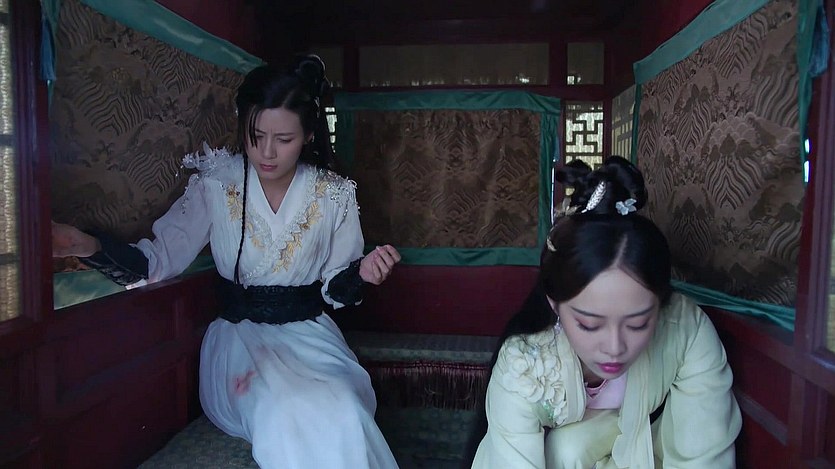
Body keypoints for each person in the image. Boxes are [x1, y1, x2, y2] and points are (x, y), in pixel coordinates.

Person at [52, 55, 402, 469]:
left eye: (284, 139)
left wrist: (361, 273)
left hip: (310, 339)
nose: (266, 152)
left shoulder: (334, 194)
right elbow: (158, 260)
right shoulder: (217, 183)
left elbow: (334, 288)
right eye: (256, 135)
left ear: (309, 134)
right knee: (283, 407)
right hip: (240, 343)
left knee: (343, 405)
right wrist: (87, 245)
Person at [469, 156, 741, 468]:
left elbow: (703, 454)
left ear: (661, 303)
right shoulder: (524, 365)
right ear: (554, 303)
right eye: (588, 324)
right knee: (565, 449)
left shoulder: (684, 329)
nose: (614, 348)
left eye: (638, 323)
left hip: (649, 450)